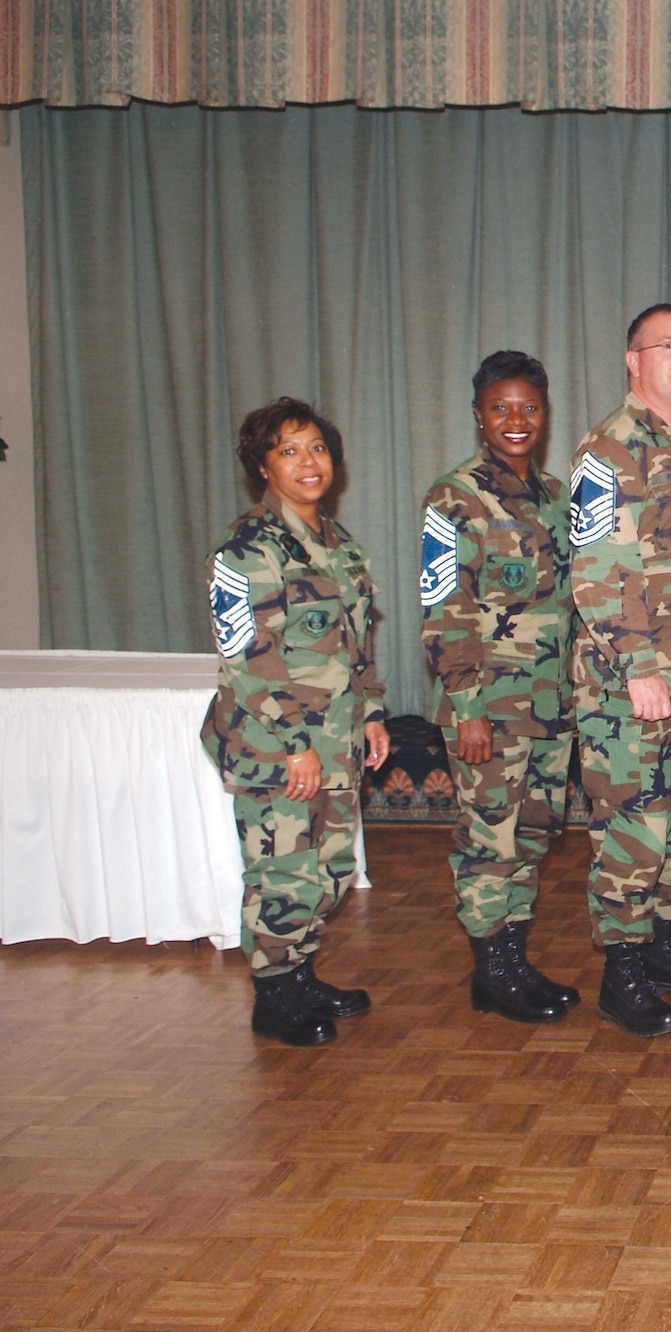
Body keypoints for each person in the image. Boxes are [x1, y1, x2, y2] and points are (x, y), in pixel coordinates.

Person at [569, 303, 671, 1038]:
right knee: (635, 831)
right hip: (634, 687)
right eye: (667, 346)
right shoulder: (609, 450)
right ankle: (622, 972)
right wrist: (637, 664)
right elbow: (599, 567)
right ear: (632, 361)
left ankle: (665, 946)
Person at [202, 398, 391, 1046]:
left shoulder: (340, 546)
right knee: (283, 870)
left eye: (317, 448)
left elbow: (356, 646)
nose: (309, 463)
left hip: (334, 740)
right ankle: (274, 996)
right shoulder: (247, 550)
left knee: (329, 866)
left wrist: (370, 713)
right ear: (263, 465)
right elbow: (247, 657)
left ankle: (301, 970)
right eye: (290, 450)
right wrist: (294, 744)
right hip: (277, 745)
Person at [419, 351, 578, 1025]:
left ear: (544, 414)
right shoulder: (452, 498)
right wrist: (467, 708)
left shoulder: (556, 497)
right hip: (488, 705)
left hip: (550, 705)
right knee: (491, 840)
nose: (516, 420)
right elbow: (444, 609)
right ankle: (492, 974)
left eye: (529, 408)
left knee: (532, 836)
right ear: (479, 414)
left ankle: (514, 958)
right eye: (501, 408)